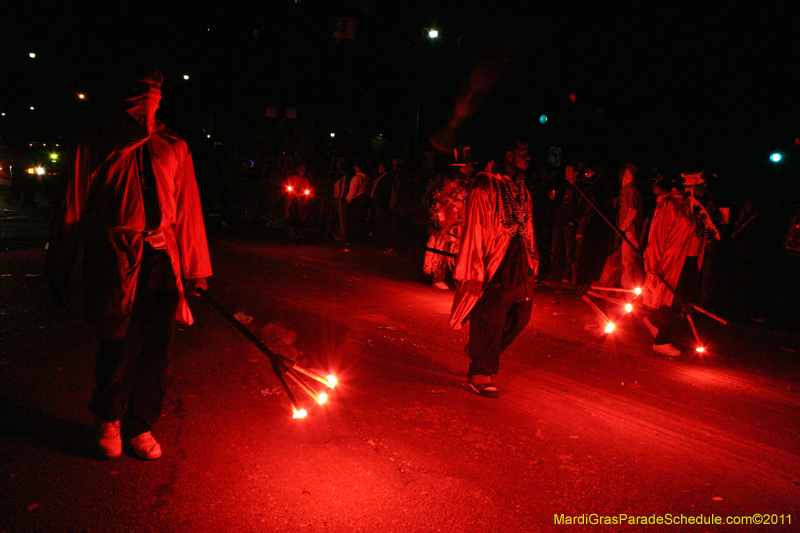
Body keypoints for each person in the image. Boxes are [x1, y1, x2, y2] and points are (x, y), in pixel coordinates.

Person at [47, 62, 212, 460]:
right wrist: (63, 263)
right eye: (141, 89)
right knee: (117, 343)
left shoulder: (173, 145)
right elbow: (73, 204)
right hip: (114, 255)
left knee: (157, 347)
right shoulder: (96, 141)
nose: (148, 97)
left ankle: (142, 423)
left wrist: (194, 270)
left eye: (154, 89)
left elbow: (187, 209)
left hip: (161, 257)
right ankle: (109, 418)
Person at [450, 139, 538, 397]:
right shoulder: (484, 185)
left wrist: (533, 261)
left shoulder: (521, 187)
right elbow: (475, 230)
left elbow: (528, 227)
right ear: (508, 155)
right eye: (524, 152)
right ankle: (480, 372)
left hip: (519, 260)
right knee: (489, 316)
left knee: (522, 315)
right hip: (494, 262)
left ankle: (481, 349)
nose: (529, 157)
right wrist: (474, 271)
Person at [641, 170, 716, 356]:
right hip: (673, 261)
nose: (705, 191)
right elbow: (657, 235)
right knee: (672, 299)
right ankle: (661, 341)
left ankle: (654, 322)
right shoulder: (670, 204)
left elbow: (697, 232)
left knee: (683, 299)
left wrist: (706, 234)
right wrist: (653, 262)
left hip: (690, 260)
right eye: (701, 187)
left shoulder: (695, 207)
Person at [284, 163, 311, 239]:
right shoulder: (292, 178)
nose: (302, 171)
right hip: (293, 196)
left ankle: (299, 232)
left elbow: (308, 189)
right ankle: (291, 231)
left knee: (302, 212)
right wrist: (294, 193)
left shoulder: (306, 180)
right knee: (291, 211)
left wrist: (302, 194)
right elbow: (288, 186)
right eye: (301, 169)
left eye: (303, 169)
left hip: (301, 197)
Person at [346, 161, 370, 243]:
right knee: (361, 219)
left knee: (354, 220)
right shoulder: (367, 177)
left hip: (357, 200)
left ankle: (353, 238)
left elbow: (353, 191)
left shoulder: (357, 178)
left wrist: (348, 199)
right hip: (365, 199)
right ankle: (361, 238)